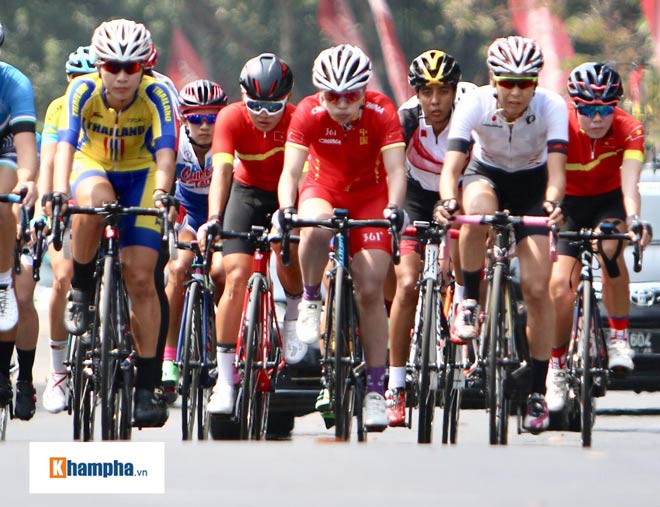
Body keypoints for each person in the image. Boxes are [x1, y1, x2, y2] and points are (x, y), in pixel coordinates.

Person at [437, 36, 567, 433]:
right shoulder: (474, 103)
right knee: (475, 213)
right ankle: (469, 300)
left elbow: (557, 173)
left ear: (535, 83)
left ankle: (538, 391)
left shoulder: (551, 106)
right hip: (486, 174)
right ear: (493, 79)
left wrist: (552, 204)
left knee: (537, 289)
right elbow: (452, 167)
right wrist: (447, 200)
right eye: (507, 82)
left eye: (524, 83)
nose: (515, 92)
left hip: (532, 184)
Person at [50, 19, 177, 427]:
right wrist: (58, 192)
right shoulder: (82, 90)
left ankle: (146, 385)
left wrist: (162, 193)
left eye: (131, 67)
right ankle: (82, 288)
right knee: (95, 205)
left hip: (142, 174)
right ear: (99, 66)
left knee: (141, 277)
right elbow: (66, 145)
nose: (122, 77)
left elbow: (166, 152)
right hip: (94, 166)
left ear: (144, 68)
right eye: (112, 67)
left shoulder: (158, 94)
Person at [276, 44, 408, 431]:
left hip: (371, 197)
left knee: (370, 289)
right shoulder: (308, 112)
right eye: (333, 96)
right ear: (321, 94)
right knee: (315, 225)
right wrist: (286, 208)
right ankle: (311, 299)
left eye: (351, 95)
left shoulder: (382, 111)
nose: (343, 104)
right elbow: (291, 172)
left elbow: (396, 171)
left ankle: (375, 391)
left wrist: (394, 208)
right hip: (324, 190)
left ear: (364, 90)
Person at [200, 53, 304, 415]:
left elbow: (304, 176)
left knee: (287, 247)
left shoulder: (298, 119)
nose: (263, 113)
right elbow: (221, 173)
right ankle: (225, 381)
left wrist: (290, 215)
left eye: (273, 106)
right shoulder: (230, 117)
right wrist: (214, 217)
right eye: (255, 104)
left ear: (288, 99)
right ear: (242, 96)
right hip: (245, 193)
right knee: (235, 276)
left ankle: (293, 312)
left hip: (286, 194)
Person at [546, 62, 649, 412]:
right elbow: (548, 178)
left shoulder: (629, 128)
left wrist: (633, 220)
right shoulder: (558, 126)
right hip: (568, 204)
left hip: (609, 202)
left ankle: (618, 338)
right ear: (574, 106)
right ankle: (557, 367)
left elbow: (630, 184)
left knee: (610, 248)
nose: (597, 118)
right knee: (560, 287)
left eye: (605, 109)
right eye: (588, 110)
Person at [385, 49, 476, 427]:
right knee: (407, 284)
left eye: (443, 91)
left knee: (471, 242)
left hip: (463, 186)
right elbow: (389, 170)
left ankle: (466, 305)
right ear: (417, 93)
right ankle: (395, 385)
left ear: (455, 90)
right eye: (427, 92)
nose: (435, 101)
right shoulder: (406, 117)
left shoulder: (471, 111)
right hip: (417, 194)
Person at [161, 79, 228, 403]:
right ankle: (168, 357)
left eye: (212, 118)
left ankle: (224, 341)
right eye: (197, 118)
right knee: (178, 269)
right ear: (184, 119)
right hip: (189, 217)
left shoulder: (228, 143)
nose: (205, 126)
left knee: (220, 272)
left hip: (222, 217)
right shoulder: (175, 142)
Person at [39, 45, 97, 414]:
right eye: (76, 79)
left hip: (97, 202)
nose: (83, 86)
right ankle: (58, 372)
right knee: (63, 276)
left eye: (90, 79)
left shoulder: (112, 108)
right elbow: (47, 161)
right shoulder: (59, 108)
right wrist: (45, 206)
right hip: (65, 202)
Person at [0, 42, 39, 413]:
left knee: (21, 291)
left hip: (6, 158)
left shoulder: (14, 83)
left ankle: (19, 376)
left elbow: (26, 150)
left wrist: (27, 180)